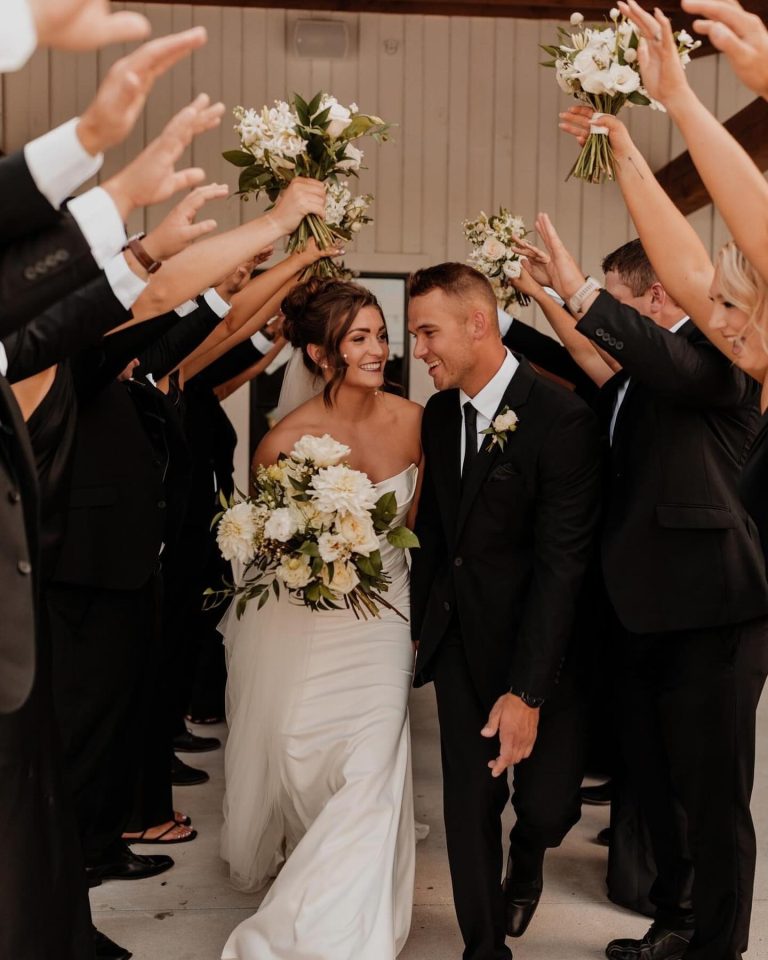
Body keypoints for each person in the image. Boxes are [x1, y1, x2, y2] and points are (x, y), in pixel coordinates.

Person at [530, 215, 768, 960]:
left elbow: (655, 358)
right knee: (656, 782)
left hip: (716, 609)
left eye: (733, 302)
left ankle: (717, 946)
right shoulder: (649, 372)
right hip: (642, 608)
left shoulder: (722, 361)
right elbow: (606, 360)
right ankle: (676, 919)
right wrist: (544, 298)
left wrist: (576, 286)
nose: (726, 315)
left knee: (715, 800)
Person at [220, 277, 423, 960]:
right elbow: (268, 556)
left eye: (381, 335)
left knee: (371, 768)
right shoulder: (284, 442)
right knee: (306, 758)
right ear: (319, 352)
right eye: (358, 338)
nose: (378, 350)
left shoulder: (414, 420)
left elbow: (421, 531)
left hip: (385, 621)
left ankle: (334, 937)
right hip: (314, 624)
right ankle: (336, 881)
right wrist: (314, 550)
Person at [408, 262, 601, 960]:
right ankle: (483, 947)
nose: (419, 349)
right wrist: (418, 630)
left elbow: (562, 566)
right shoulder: (437, 414)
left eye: (429, 332)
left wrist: (527, 691)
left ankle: (530, 857)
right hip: (461, 640)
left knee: (550, 807)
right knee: (468, 805)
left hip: (546, 649)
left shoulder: (562, 419)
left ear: (477, 323)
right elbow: (434, 531)